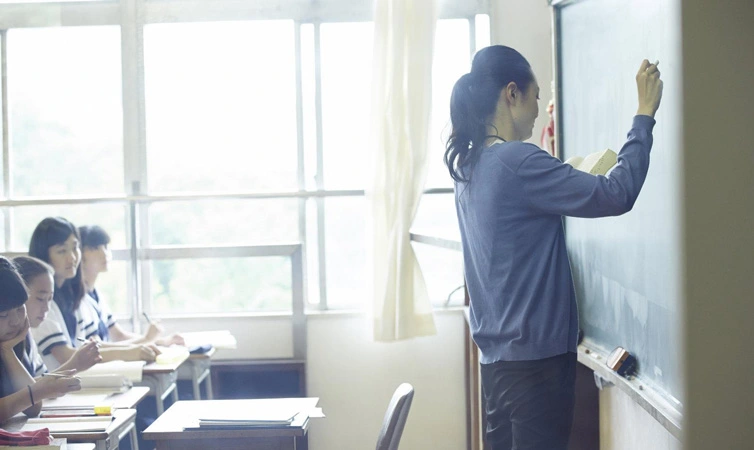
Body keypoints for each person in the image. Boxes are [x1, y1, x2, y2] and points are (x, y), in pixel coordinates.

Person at [445, 45, 663, 450]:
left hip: (497, 369)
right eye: (536, 95)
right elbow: (617, 194)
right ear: (512, 94)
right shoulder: (518, 162)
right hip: (537, 372)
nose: (539, 105)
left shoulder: (469, 169)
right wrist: (644, 113)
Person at [28, 217, 159, 371]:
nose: (72, 257)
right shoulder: (41, 302)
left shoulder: (73, 297)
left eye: (75, 247)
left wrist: (138, 347)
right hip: (58, 386)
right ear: (44, 255)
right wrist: (131, 351)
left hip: (75, 381)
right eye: (62, 251)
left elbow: (90, 346)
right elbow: (65, 355)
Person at [0, 256, 81, 422]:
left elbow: (33, 408)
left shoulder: (16, 336)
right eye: (4, 314)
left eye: (19, 309)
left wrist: (8, 352)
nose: (15, 321)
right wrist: (39, 391)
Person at [78, 225, 184, 347]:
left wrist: (162, 342)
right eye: (94, 248)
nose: (104, 253)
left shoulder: (96, 295)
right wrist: (147, 339)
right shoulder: (78, 300)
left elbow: (119, 336)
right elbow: (97, 348)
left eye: (105, 247)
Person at [13, 255, 102, 376]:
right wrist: (75, 364)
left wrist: (76, 364)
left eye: (50, 299)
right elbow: (32, 390)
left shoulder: (26, 336)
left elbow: (37, 384)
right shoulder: (8, 342)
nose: (46, 308)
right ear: (18, 297)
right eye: (40, 299)